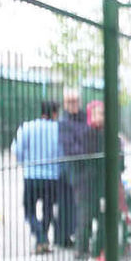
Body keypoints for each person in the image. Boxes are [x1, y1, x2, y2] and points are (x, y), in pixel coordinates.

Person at [12, 100, 60, 255]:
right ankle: (43, 239)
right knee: (48, 210)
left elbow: (16, 149)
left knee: (29, 210)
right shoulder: (58, 129)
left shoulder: (27, 127)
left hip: (31, 175)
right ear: (54, 113)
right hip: (52, 177)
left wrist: (25, 163)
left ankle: (40, 237)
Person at [74, 99, 106, 261]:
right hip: (87, 184)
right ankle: (81, 249)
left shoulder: (105, 133)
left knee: (101, 217)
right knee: (84, 218)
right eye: (100, 113)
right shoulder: (86, 133)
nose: (103, 117)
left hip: (100, 183)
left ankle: (96, 249)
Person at [56, 88, 87, 248]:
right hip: (69, 169)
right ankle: (64, 237)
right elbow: (69, 147)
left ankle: (76, 236)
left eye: (75, 101)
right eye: (70, 102)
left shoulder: (84, 118)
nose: (73, 104)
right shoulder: (64, 121)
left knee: (79, 205)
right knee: (66, 205)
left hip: (84, 169)